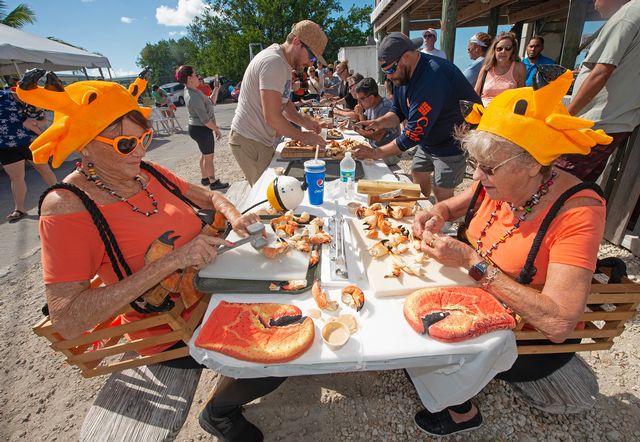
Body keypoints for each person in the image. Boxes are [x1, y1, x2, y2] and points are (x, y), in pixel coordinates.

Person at [17, 68, 266, 441]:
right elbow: (66, 319)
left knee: (291, 304)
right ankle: (221, 413)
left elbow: (212, 196)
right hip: (169, 328)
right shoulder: (66, 207)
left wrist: (235, 216)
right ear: (84, 145)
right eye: (124, 144)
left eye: (144, 137)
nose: (141, 150)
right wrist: (175, 259)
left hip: (209, 292)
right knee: (275, 357)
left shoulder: (146, 171)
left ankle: (222, 405)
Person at [409, 65, 612, 436]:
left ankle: (462, 412)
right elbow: (458, 204)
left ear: (534, 164)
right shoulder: (499, 183)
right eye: (475, 165)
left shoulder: (578, 210)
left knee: (418, 338)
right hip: (475, 296)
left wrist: (473, 263)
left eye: (488, 168)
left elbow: (558, 322)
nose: (477, 178)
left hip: (526, 336)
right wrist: (436, 210)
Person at [353, 32, 480, 202]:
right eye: (385, 72)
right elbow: (398, 111)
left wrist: (376, 153)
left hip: (453, 140)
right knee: (418, 173)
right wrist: (378, 123)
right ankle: (423, 207)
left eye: (390, 69)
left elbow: (413, 134)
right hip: (429, 138)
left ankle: (444, 221)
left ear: (405, 57)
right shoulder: (403, 75)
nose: (388, 76)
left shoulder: (432, 77)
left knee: (442, 188)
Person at [229, 20, 327, 185]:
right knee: (265, 195)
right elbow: (272, 116)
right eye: (310, 56)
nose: (310, 62)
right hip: (250, 140)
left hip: (259, 139)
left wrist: (305, 122)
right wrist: (304, 137)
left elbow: (284, 103)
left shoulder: (283, 63)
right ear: (296, 42)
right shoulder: (274, 62)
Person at [555, 0, 640, 182]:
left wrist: (564, 118)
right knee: (574, 186)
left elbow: (601, 71)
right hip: (616, 122)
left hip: (594, 123)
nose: (593, 3)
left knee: (553, 184)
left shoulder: (627, 15)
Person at [0, 89, 57, 222]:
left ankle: (61, 198)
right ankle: (19, 209)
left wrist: (37, 120)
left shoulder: (20, 98)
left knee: (45, 171)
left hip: (30, 142)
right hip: (6, 146)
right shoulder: (6, 96)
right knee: (16, 178)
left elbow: (38, 116)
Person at [177, 65, 229, 190]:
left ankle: (205, 178)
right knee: (209, 157)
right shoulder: (193, 95)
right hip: (201, 129)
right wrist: (216, 129)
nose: (198, 77)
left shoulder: (193, 91)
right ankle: (213, 182)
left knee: (205, 154)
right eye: (195, 75)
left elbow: (211, 102)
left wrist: (216, 89)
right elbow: (205, 120)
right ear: (189, 78)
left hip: (198, 128)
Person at [353, 77, 401, 166]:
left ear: (371, 97)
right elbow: (366, 127)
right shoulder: (371, 105)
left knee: (357, 160)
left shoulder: (385, 107)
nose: (359, 103)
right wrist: (360, 115)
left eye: (361, 99)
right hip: (376, 148)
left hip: (389, 153)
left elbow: (377, 136)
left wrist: (356, 129)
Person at [476, 32, 526, 107]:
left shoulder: (519, 68)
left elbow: (522, 95)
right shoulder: (486, 68)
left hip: (507, 114)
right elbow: (476, 93)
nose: (503, 51)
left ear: (513, 50)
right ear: (494, 51)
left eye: (508, 48)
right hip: (485, 113)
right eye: (499, 49)